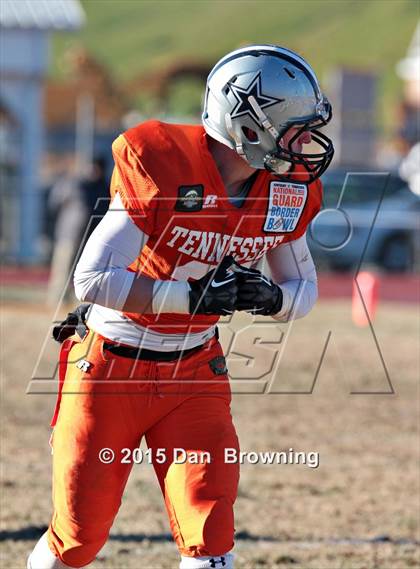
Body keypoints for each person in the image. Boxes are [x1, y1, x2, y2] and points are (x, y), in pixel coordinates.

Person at [28, 44, 334, 569]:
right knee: (78, 539)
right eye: (296, 128)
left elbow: (303, 288)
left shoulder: (284, 189)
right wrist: (189, 297)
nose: (308, 143)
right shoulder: (162, 164)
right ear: (250, 126)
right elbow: (92, 279)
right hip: (110, 365)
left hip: (194, 370)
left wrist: (272, 299)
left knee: (210, 531)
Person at [46, 156, 109, 307]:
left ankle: (79, 300)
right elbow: (54, 204)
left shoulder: (105, 187)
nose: (95, 171)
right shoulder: (73, 183)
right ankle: (57, 300)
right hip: (70, 234)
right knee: (63, 267)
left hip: (92, 238)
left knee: (85, 270)